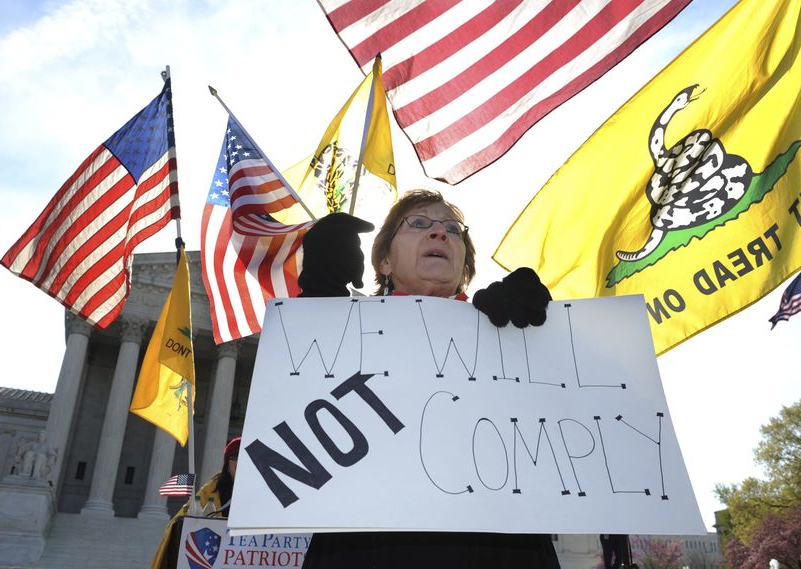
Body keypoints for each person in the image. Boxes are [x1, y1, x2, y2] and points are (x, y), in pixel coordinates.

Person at [298, 189, 559, 568]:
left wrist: (536, 340)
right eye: (419, 224)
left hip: (499, 548)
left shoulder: (510, 328)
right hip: (365, 548)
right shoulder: (339, 334)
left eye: (453, 230)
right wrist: (316, 305)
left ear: (465, 265)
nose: (439, 234)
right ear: (384, 261)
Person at [150, 436, 241, 569]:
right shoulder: (211, 490)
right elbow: (181, 523)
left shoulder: (259, 492)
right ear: (227, 464)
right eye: (236, 459)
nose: (240, 464)